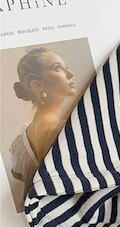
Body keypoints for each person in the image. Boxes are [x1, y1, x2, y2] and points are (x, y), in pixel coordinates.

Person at [9, 46, 77, 202]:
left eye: (66, 67)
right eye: (58, 68)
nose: (70, 74)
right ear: (37, 85)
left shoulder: (21, 140)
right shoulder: (59, 129)